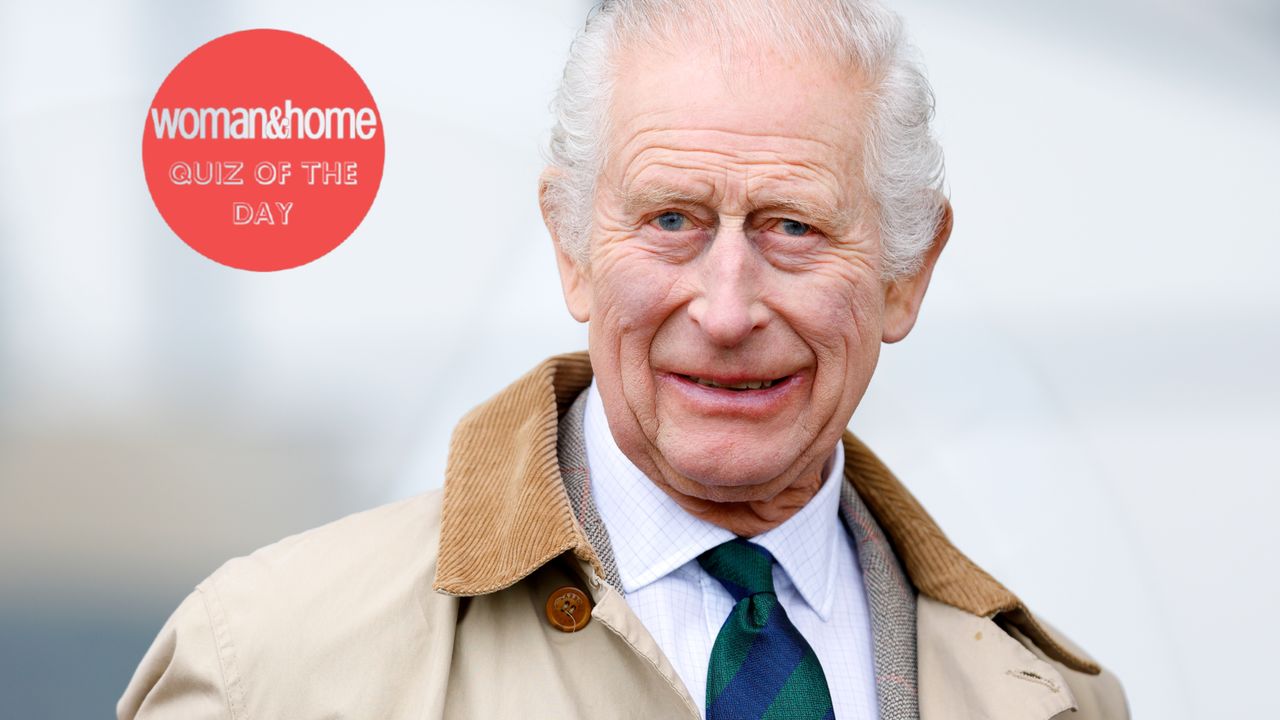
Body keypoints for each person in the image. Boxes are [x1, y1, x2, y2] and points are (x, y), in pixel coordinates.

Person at [119, 1, 1129, 718]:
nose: (726, 310)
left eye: (791, 227)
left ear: (907, 272)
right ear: (571, 249)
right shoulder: (270, 670)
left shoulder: (1053, 702)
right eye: (671, 219)